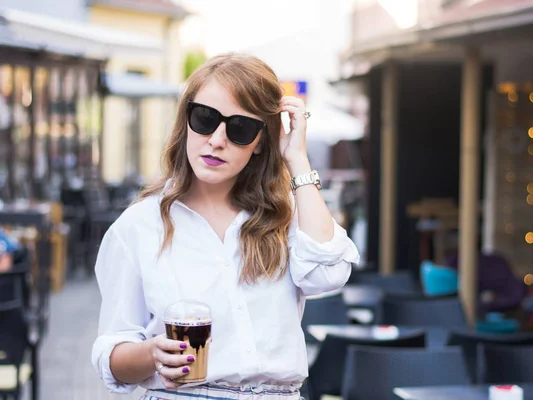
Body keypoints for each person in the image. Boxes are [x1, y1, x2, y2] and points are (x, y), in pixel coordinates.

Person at [91, 53, 360, 400]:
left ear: (261, 140)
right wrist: (151, 354)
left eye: (240, 128)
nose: (217, 139)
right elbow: (111, 353)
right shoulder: (140, 225)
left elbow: (328, 275)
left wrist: (297, 160)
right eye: (204, 119)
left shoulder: (285, 215)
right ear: (186, 120)